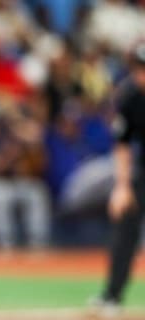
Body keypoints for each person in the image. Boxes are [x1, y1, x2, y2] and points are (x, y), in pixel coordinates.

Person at [91, 41, 145, 317]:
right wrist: (122, 187)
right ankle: (112, 295)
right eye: (139, 69)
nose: (143, 76)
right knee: (125, 226)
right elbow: (122, 144)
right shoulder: (130, 96)